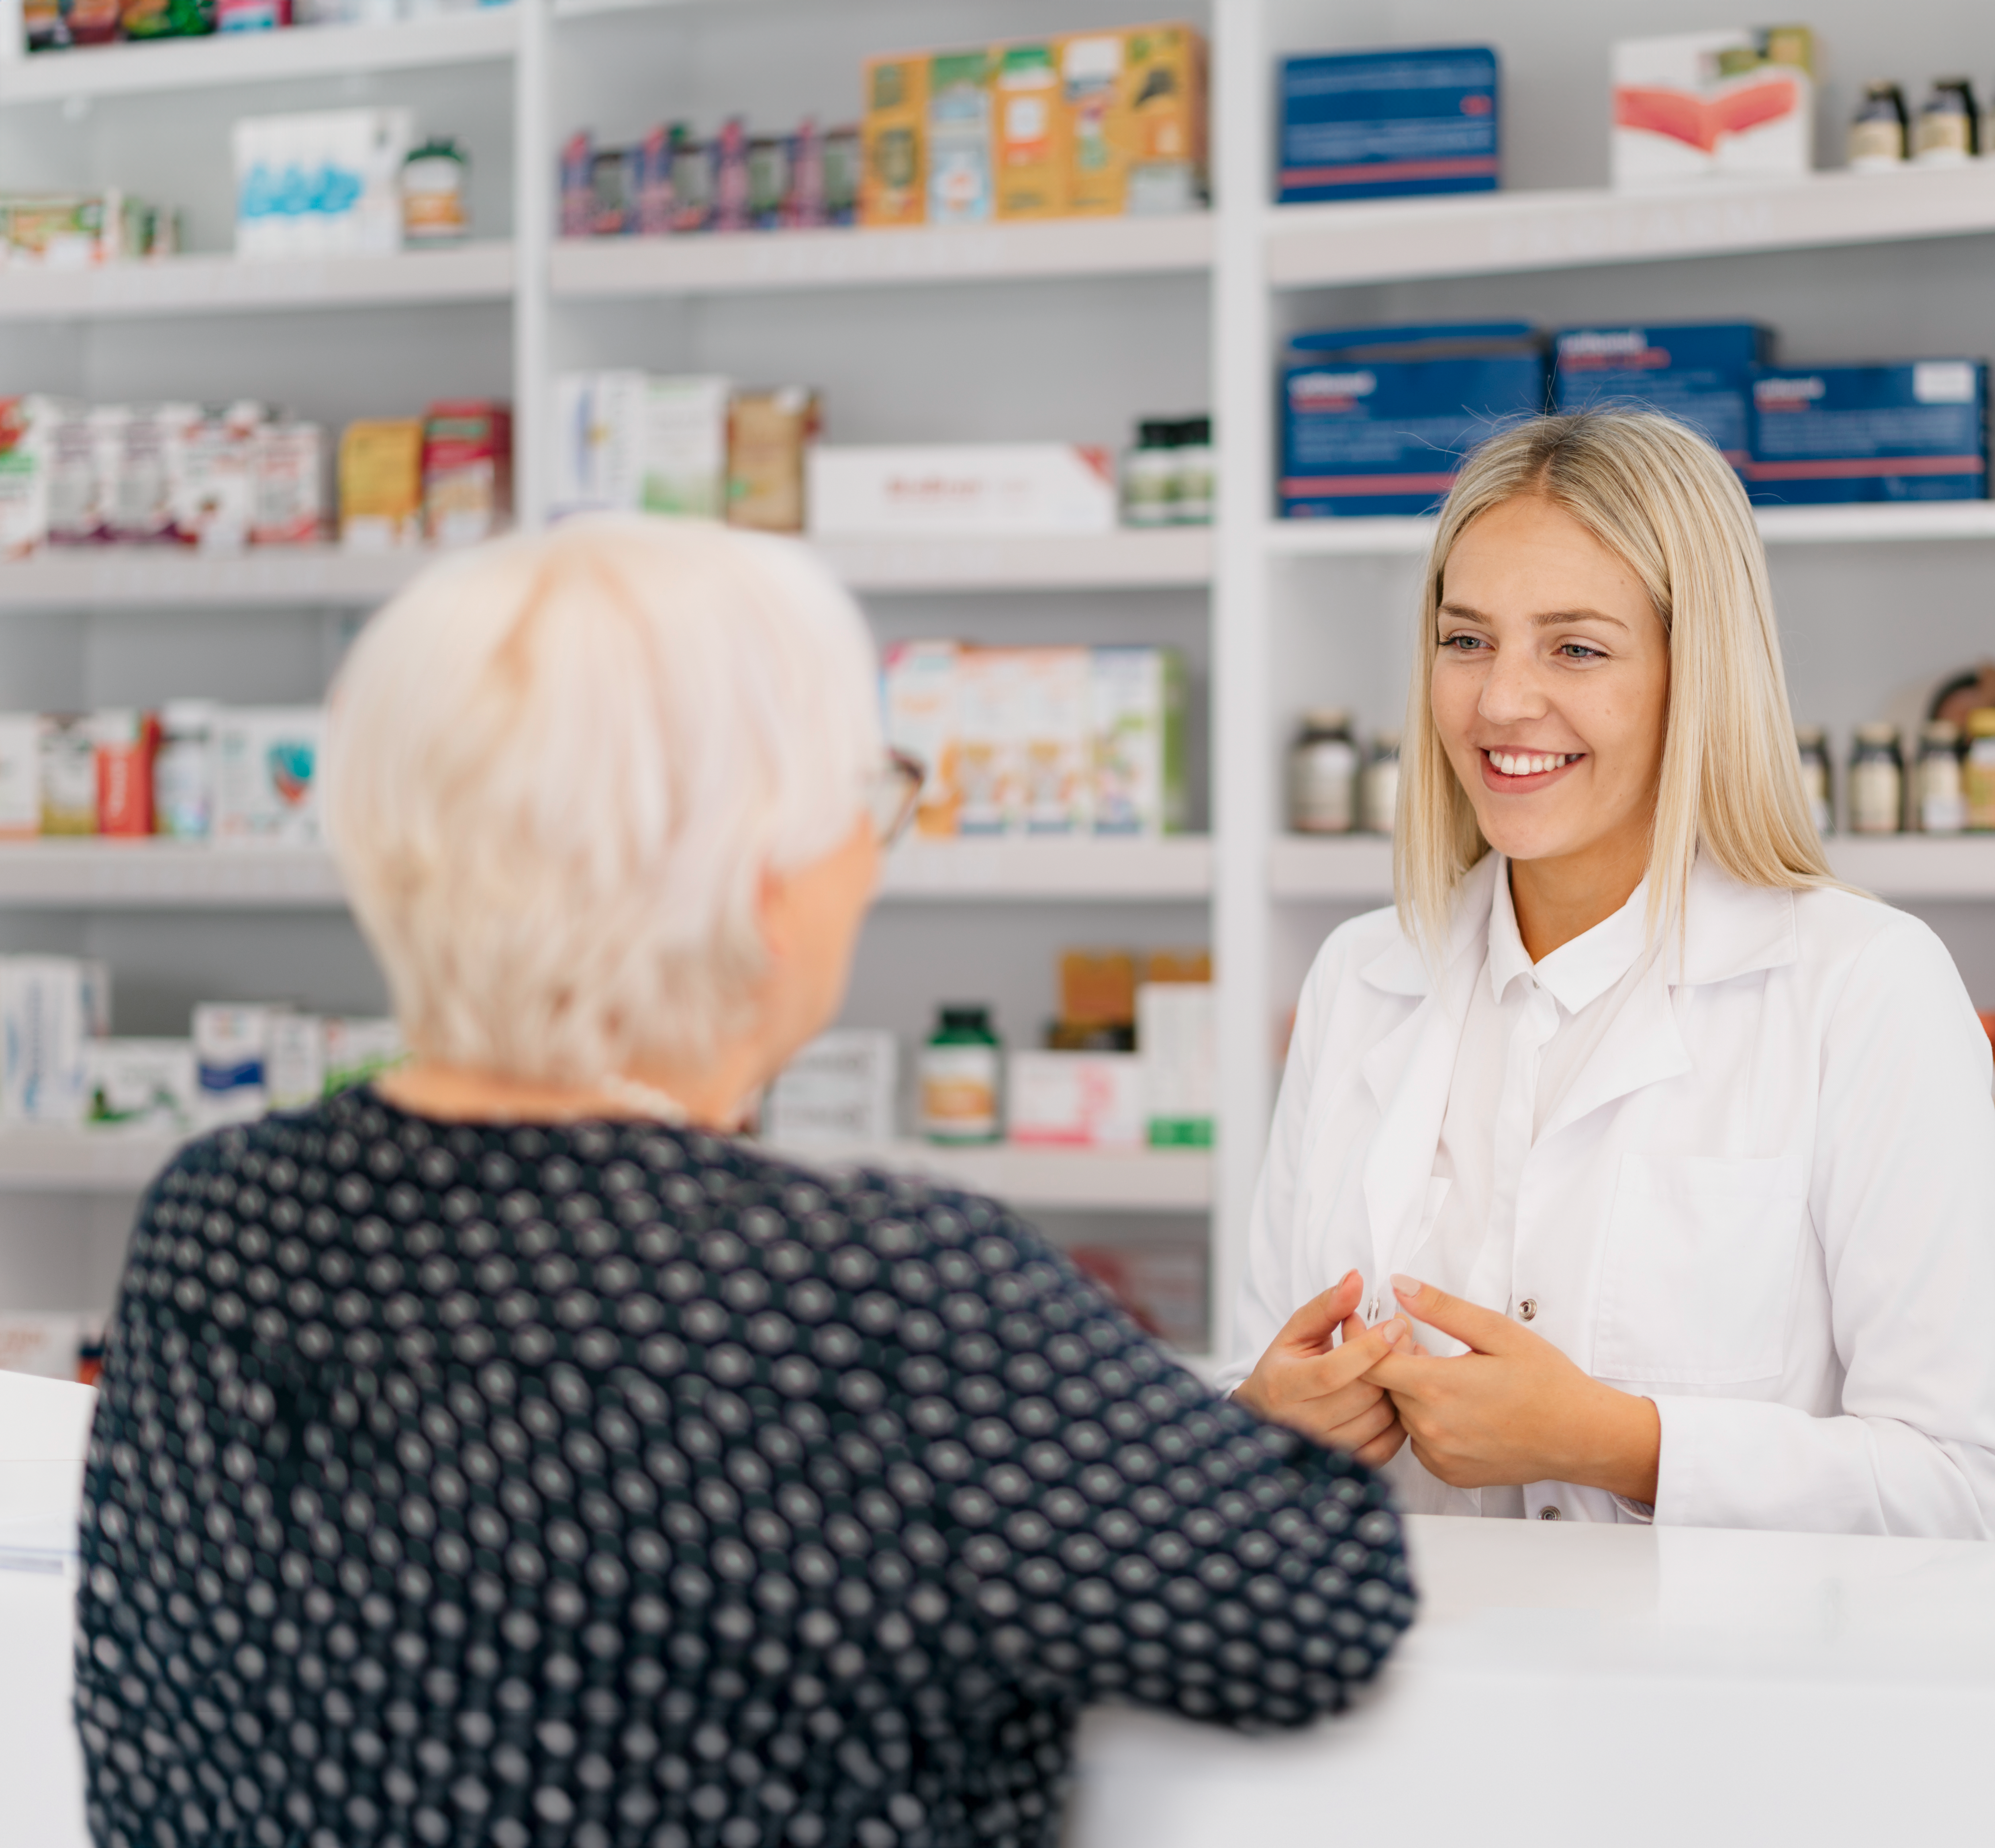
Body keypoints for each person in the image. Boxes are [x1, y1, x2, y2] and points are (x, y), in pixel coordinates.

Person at [74, 515, 1415, 1848]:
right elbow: (1313, 1614)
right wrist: (1270, 1445)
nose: (873, 856)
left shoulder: (217, 1217)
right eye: (867, 802)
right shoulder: (870, 1293)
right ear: (757, 877)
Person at [1226, 413, 1995, 1537]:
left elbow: (1955, 1484)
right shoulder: (1363, 974)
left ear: (1695, 674)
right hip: (1394, 1683)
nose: (1502, 702)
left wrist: (1612, 1443)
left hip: (1705, 1704)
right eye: (1467, 641)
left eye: (1577, 648)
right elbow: (1260, 1371)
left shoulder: (1866, 986)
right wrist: (1262, 1421)